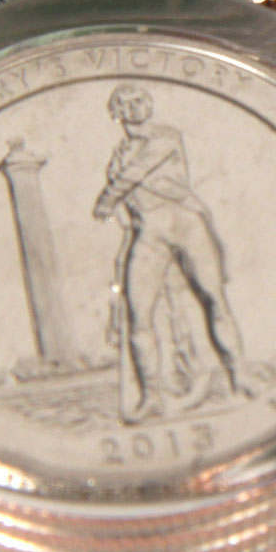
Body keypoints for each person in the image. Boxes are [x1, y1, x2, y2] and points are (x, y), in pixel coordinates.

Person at [92, 86, 245, 421]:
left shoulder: (166, 137)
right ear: (116, 112)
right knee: (139, 315)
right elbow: (126, 206)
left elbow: (136, 174)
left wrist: (106, 199)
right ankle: (150, 397)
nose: (134, 107)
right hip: (149, 234)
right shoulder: (118, 154)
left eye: (139, 100)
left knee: (214, 299)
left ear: (149, 104)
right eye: (125, 103)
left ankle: (239, 378)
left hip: (187, 225)